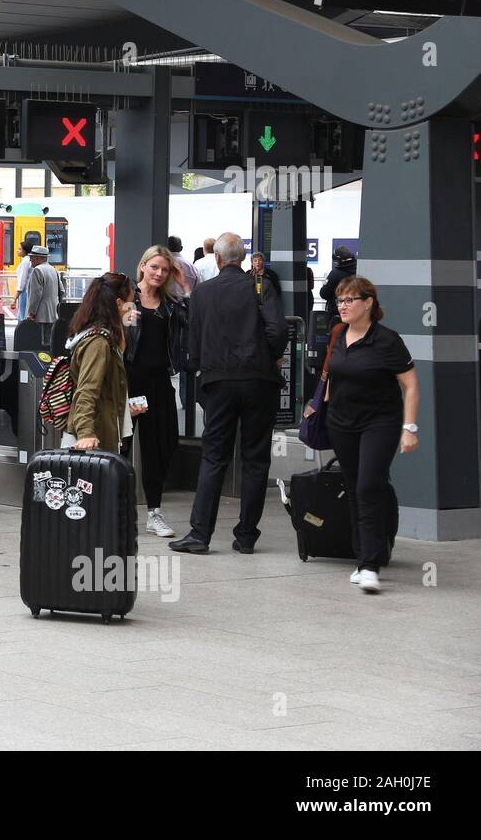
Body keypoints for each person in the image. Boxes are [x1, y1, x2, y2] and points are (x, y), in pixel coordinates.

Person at [171, 233, 287, 555]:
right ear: (244, 257)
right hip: (259, 382)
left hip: (218, 383)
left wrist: (200, 367)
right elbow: (278, 331)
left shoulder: (203, 294)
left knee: (213, 456)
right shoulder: (261, 287)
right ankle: (247, 535)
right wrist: (271, 354)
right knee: (255, 458)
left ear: (218, 260)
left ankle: (199, 534)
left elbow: (192, 344)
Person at [315, 276, 418, 593]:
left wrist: (409, 428)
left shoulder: (387, 341)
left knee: (370, 485)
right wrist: (317, 408)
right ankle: (363, 556)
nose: (342, 306)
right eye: (339, 301)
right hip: (341, 423)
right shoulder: (337, 334)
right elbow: (331, 377)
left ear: (368, 303)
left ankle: (371, 564)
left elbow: (411, 385)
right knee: (354, 486)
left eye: (349, 300)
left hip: (380, 422)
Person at [123, 245, 188, 538]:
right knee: (122, 445)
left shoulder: (171, 303)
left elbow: (192, 322)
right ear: (143, 266)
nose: (159, 274)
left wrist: (184, 284)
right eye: (155, 267)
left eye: (164, 269)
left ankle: (154, 512)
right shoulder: (127, 300)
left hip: (159, 383)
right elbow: (119, 340)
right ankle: (119, 508)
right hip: (131, 382)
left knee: (162, 446)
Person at [63, 272, 142, 454]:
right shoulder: (99, 343)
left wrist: (124, 408)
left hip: (101, 433)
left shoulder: (101, 336)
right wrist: (85, 434)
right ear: (119, 304)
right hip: (93, 442)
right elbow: (86, 391)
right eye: (131, 302)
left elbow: (104, 391)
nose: (133, 307)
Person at [23, 245, 62, 339]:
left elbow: (35, 294)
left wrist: (31, 313)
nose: (30, 260)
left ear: (37, 258)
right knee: (49, 344)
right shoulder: (53, 269)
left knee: (38, 344)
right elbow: (62, 291)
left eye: (32, 258)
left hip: (40, 316)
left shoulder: (37, 270)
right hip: (53, 314)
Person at [320, 245, 357, 316]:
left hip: (337, 313)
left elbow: (324, 293)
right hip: (355, 312)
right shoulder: (360, 270)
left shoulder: (335, 274)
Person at [13, 239, 35, 321]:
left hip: (24, 292)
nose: (17, 250)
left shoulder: (25, 262)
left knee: (22, 316)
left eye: (19, 249)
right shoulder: (29, 260)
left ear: (25, 251)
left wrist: (15, 298)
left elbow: (22, 281)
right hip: (28, 291)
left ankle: (21, 333)